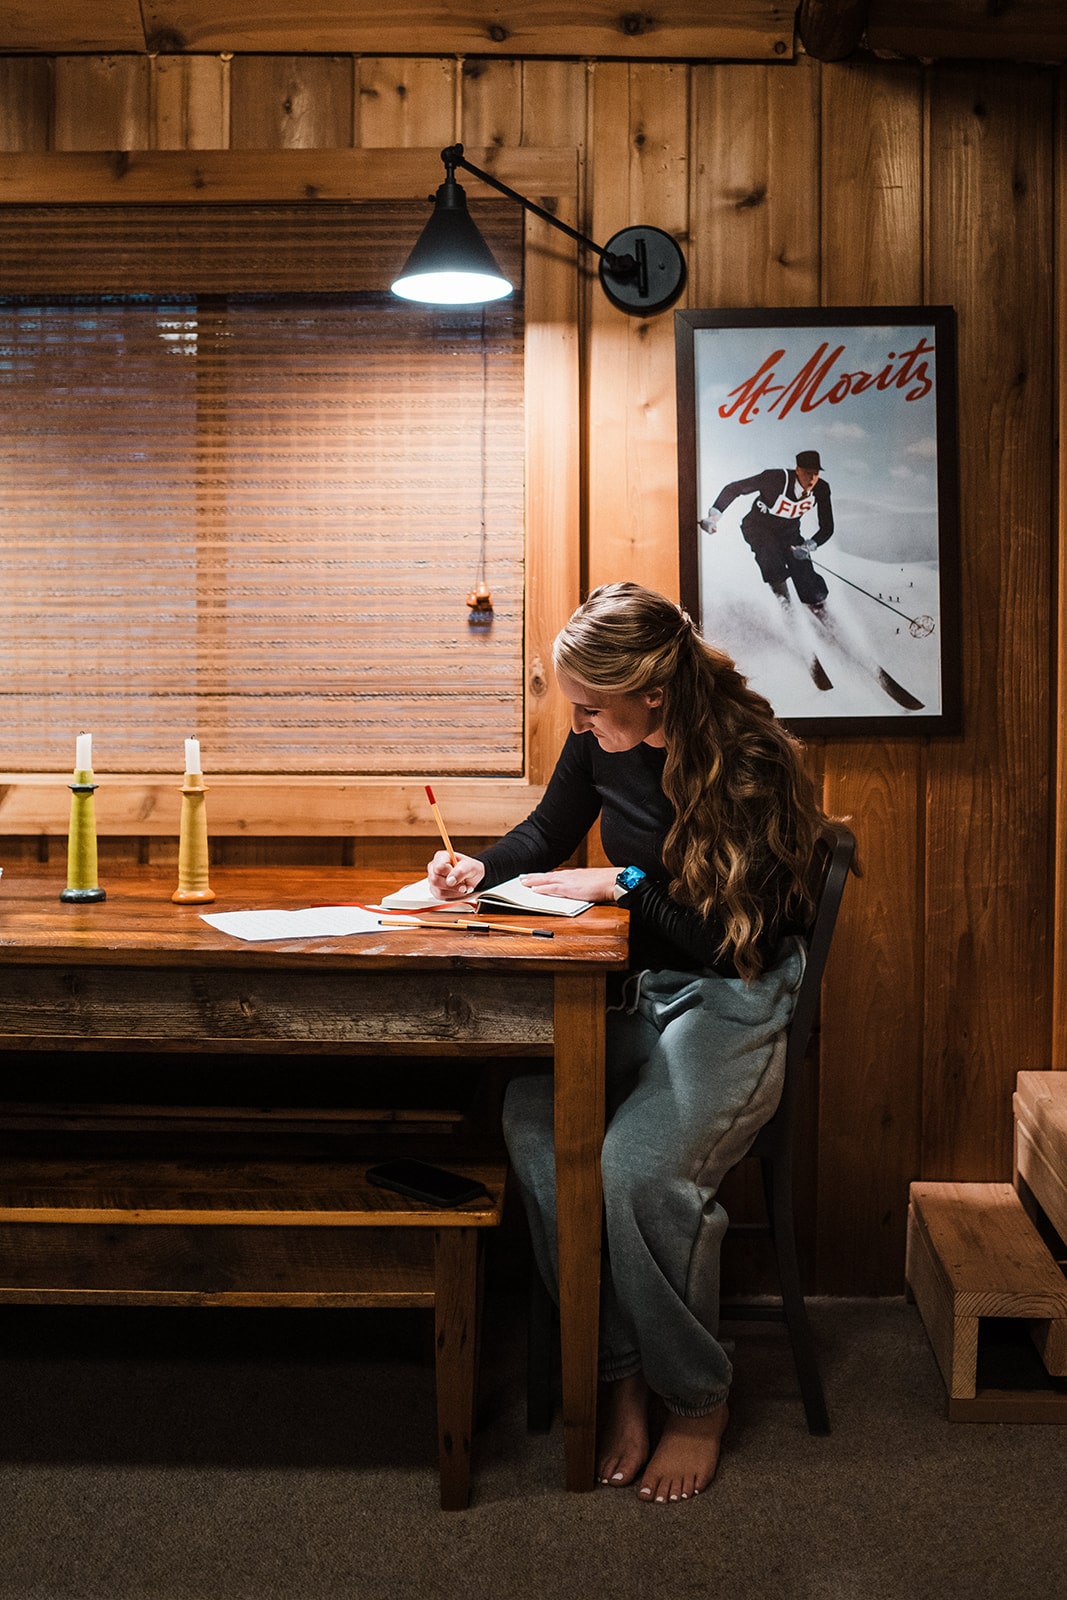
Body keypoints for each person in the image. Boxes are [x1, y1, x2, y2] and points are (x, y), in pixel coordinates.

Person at [426, 582, 825, 1505]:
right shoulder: (599, 739)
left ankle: (696, 1399)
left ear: (651, 692)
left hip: (736, 996)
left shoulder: (749, 759)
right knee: (534, 1114)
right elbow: (547, 833)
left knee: (636, 1170)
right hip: (650, 992)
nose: (578, 724)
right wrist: (479, 868)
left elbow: (742, 943)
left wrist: (622, 883)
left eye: (589, 708)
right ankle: (620, 1373)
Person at [700, 449, 834, 613]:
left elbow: (827, 527)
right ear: (797, 470)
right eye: (807, 473)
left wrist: (808, 546)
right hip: (758, 527)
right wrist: (714, 516)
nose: (812, 479)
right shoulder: (775, 479)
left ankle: (821, 612)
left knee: (804, 571)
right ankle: (786, 608)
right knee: (770, 558)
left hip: (789, 533)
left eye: (816, 473)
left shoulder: (821, 489)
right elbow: (735, 488)